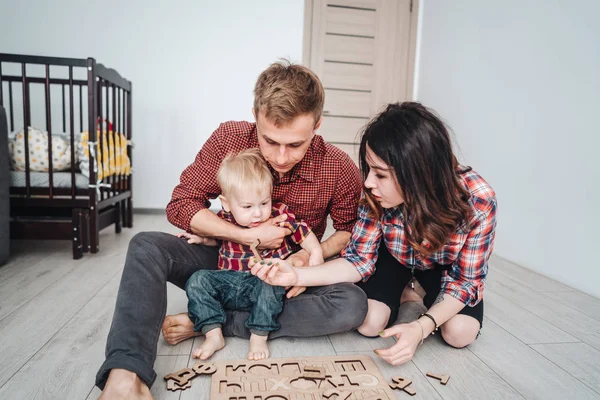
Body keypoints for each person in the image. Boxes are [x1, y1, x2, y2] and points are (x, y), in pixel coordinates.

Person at [96, 60, 366, 399]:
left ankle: (212, 321)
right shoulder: (229, 138)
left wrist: (305, 257)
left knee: (352, 304)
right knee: (146, 245)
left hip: (286, 275)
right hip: (224, 262)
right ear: (256, 114)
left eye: (295, 144)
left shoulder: (338, 166)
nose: (281, 158)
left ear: (317, 124)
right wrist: (246, 235)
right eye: (270, 141)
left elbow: (350, 232)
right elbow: (181, 204)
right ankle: (126, 372)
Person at [251, 101, 498, 366]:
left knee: (459, 333)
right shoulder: (374, 193)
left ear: (417, 174)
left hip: (442, 266)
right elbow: (358, 260)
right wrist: (298, 274)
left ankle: (419, 292)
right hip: (394, 257)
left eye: (381, 175)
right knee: (369, 324)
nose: (368, 182)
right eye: (369, 169)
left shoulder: (479, 200)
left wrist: (422, 327)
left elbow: (466, 282)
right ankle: (407, 290)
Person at [181, 148, 324, 361]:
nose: (257, 213)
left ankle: (258, 335)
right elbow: (218, 238)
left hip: (263, 283)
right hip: (229, 282)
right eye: (247, 206)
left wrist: (316, 251)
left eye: (264, 203)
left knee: (271, 280)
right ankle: (212, 333)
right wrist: (202, 239)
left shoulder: (279, 215)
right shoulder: (224, 218)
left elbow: (302, 231)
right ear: (227, 203)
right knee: (197, 279)